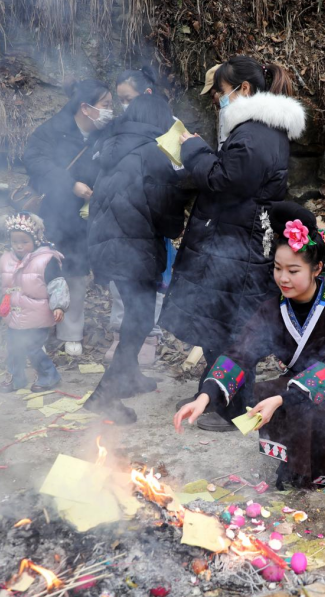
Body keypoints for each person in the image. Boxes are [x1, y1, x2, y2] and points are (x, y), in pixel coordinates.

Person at [173, 214, 325, 489]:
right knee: (267, 395)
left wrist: (283, 398)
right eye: (277, 268)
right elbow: (241, 352)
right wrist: (205, 396)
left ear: (317, 269)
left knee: (308, 408)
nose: (283, 278)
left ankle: (322, 466)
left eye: (293, 271)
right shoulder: (272, 309)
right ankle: (297, 459)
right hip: (299, 381)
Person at [160, 56, 306, 432]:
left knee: (232, 329)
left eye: (221, 93)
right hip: (234, 241)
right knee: (218, 325)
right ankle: (208, 396)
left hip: (239, 246)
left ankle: (233, 408)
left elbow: (224, 181)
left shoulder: (255, 134)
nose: (218, 102)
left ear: (243, 89)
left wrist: (194, 150)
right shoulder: (258, 130)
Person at [85, 95, 192, 422]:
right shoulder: (153, 152)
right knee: (142, 316)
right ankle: (106, 393)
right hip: (132, 243)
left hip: (106, 241)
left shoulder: (113, 145)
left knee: (136, 311)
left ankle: (128, 375)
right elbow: (164, 212)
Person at [23, 78, 113, 357]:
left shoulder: (106, 133)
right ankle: (35, 330)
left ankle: (71, 332)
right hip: (53, 213)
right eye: (106, 105)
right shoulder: (52, 130)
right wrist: (70, 184)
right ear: (86, 108)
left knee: (75, 271)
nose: (111, 111)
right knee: (42, 271)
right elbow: (34, 161)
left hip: (83, 218)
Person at [105, 66, 175, 367]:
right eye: (120, 99)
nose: (124, 105)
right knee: (135, 293)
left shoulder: (167, 128)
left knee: (145, 293)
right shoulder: (122, 134)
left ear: (145, 95)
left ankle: (144, 343)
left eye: (128, 98)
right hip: (136, 231)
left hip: (131, 231)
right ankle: (124, 358)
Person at [0, 213, 68, 393]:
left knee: (32, 347)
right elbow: (1, 281)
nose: (19, 246)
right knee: (14, 347)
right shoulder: (7, 260)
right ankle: (16, 378)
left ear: (36, 240)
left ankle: (49, 376)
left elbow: (57, 285)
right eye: (15, 242)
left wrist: (59, 305)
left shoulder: (46, 260)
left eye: (24, 241)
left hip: (37, 316)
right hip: (15, 315)